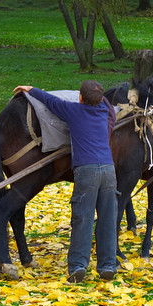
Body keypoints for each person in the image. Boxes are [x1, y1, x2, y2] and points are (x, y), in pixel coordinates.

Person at [12, 80, 118, 283]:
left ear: (80, 98)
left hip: (86, 171)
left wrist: (31, 89)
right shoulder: (106, 112)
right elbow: (104, 102)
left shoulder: (74, 111)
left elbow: (50, 101)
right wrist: (98, 95)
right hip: (108, 170)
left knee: (83, 218)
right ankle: (108, 266)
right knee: (107, 219)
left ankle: (78, 266)